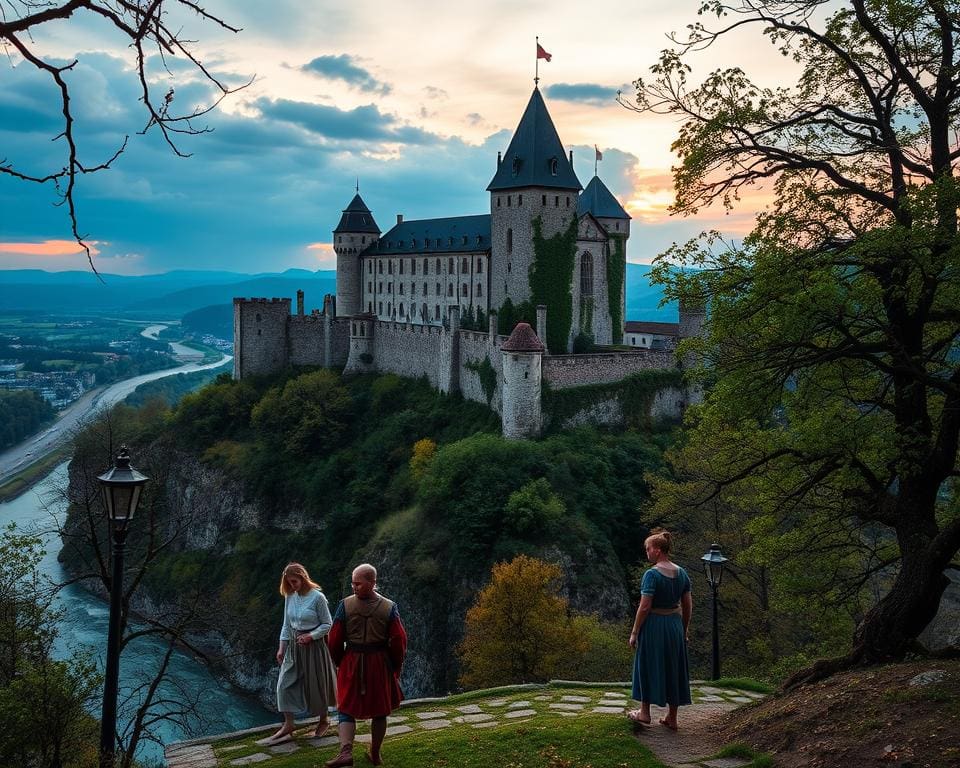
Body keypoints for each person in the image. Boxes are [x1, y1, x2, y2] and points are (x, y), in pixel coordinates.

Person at [324, 563, 407, 768]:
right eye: (352, 583)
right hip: (376, 663)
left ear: (372, 583)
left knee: (367, 710)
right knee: (349, 708)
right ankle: (349, 753)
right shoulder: (389, 607)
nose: (354, 587)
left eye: (358, 584)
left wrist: (341, 661)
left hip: (356, 661)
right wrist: (394, 666)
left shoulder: (346, 606)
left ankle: (372, 752)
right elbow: (398, 641)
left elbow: (334, 640)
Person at [259, 562, 337, 745]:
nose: (292, 586)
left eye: (294, 581)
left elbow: (328, 624)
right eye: (289, 583)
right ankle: (289, 724)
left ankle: (324, 719)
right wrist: (281, 647)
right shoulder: (290, 596)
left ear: (302, 577)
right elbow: (286, 624)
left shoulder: (318, 598)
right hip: (294, 645)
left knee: (317, 683)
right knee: (284, 684)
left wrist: (311, 636)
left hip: (314, 646)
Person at [627, 529, 692, 731]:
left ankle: (644, 713)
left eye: (648, 549)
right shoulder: (682, 573)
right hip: (674, 624)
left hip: (654, 624)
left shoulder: (651, 575)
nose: (647, 553)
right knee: (674, 667)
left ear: (657, 550)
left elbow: (645, 606)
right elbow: (688, 605)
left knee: (646, 664)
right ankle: (672, 718)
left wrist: (635, 631)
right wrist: (684, 629)